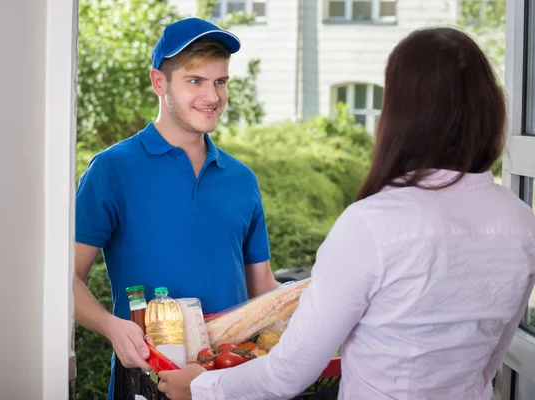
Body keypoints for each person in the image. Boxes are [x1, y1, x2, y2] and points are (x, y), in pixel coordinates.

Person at [157, 27, 535, 400]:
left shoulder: (373, 224)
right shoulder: (521, 223)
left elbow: (288, 373)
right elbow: (491, 358)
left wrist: (200, 387)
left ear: (402, 114)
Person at [74, 17, 280, 399]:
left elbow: (263, 288)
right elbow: (64, 280)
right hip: (147, 379)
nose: (212, 96)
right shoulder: (113, 169)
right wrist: (111, 326)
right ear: (159, 82)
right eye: (195, 81)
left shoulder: (241, 178)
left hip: (227, 380)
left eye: (220, 81)